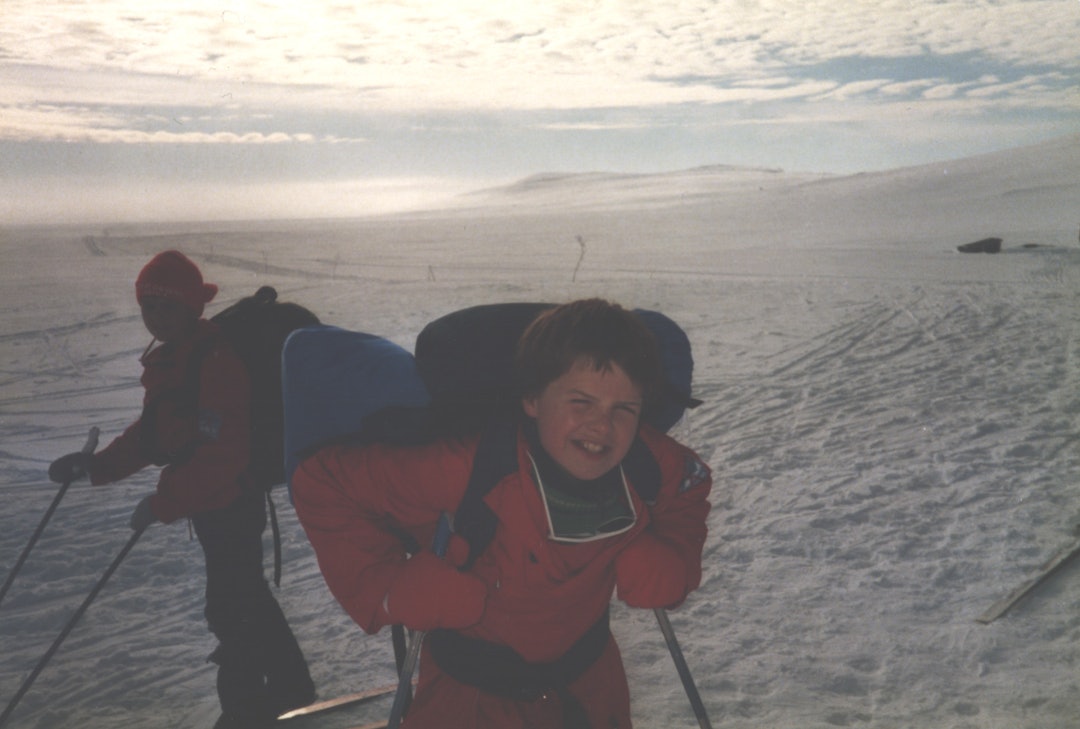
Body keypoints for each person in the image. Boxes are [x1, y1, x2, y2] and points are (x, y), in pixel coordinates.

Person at [291, 298, 712, 729]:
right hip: (469, 697)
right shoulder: (464, 468)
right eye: (580, 402)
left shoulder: (645, 463)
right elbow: (323, 483)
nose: (602, 427)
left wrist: (673, 555)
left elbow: (690, 485)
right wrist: (390, 587)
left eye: (624, 408)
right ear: (532, 399)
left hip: (587, 689)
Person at [48, 250, 315, 728]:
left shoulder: (216, 360)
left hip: (233, 501)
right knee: (245, 597)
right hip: (211, 504)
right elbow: (155, 434)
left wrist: (163, 503)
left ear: (193, 307)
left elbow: (222, 454)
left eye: (166, 307)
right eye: (148, 307)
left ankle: (245, 712)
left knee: (230, 609)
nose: (156, 317)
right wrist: (95, 467)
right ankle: (292, 686)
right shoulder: (177, 359)